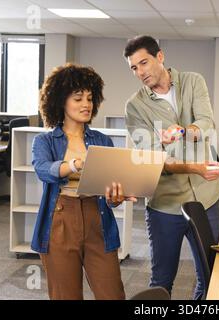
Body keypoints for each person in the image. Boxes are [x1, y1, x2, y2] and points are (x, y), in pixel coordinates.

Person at [123, 35, 219, 299]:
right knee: (162, 281)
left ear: (160, 56)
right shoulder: (135, 106)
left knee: (209, 274)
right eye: (133, 68)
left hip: (205, 199)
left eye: (143, 63)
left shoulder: (193, 81)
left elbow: (206, 122)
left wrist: (182, 131)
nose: (140, 72)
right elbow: (154, 160)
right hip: (165, 206)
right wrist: (194, 167)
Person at [31, 63, 136, 300]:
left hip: (97, 218)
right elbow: (43, 170)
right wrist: (74, 165)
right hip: (60, 220)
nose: (86, 104)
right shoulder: (44, 141)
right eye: (78, 98)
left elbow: (109, 192)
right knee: (65, 295)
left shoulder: (102, 140)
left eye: (90, 98)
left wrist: (116, 197)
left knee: (112, 294)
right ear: (61, 101)